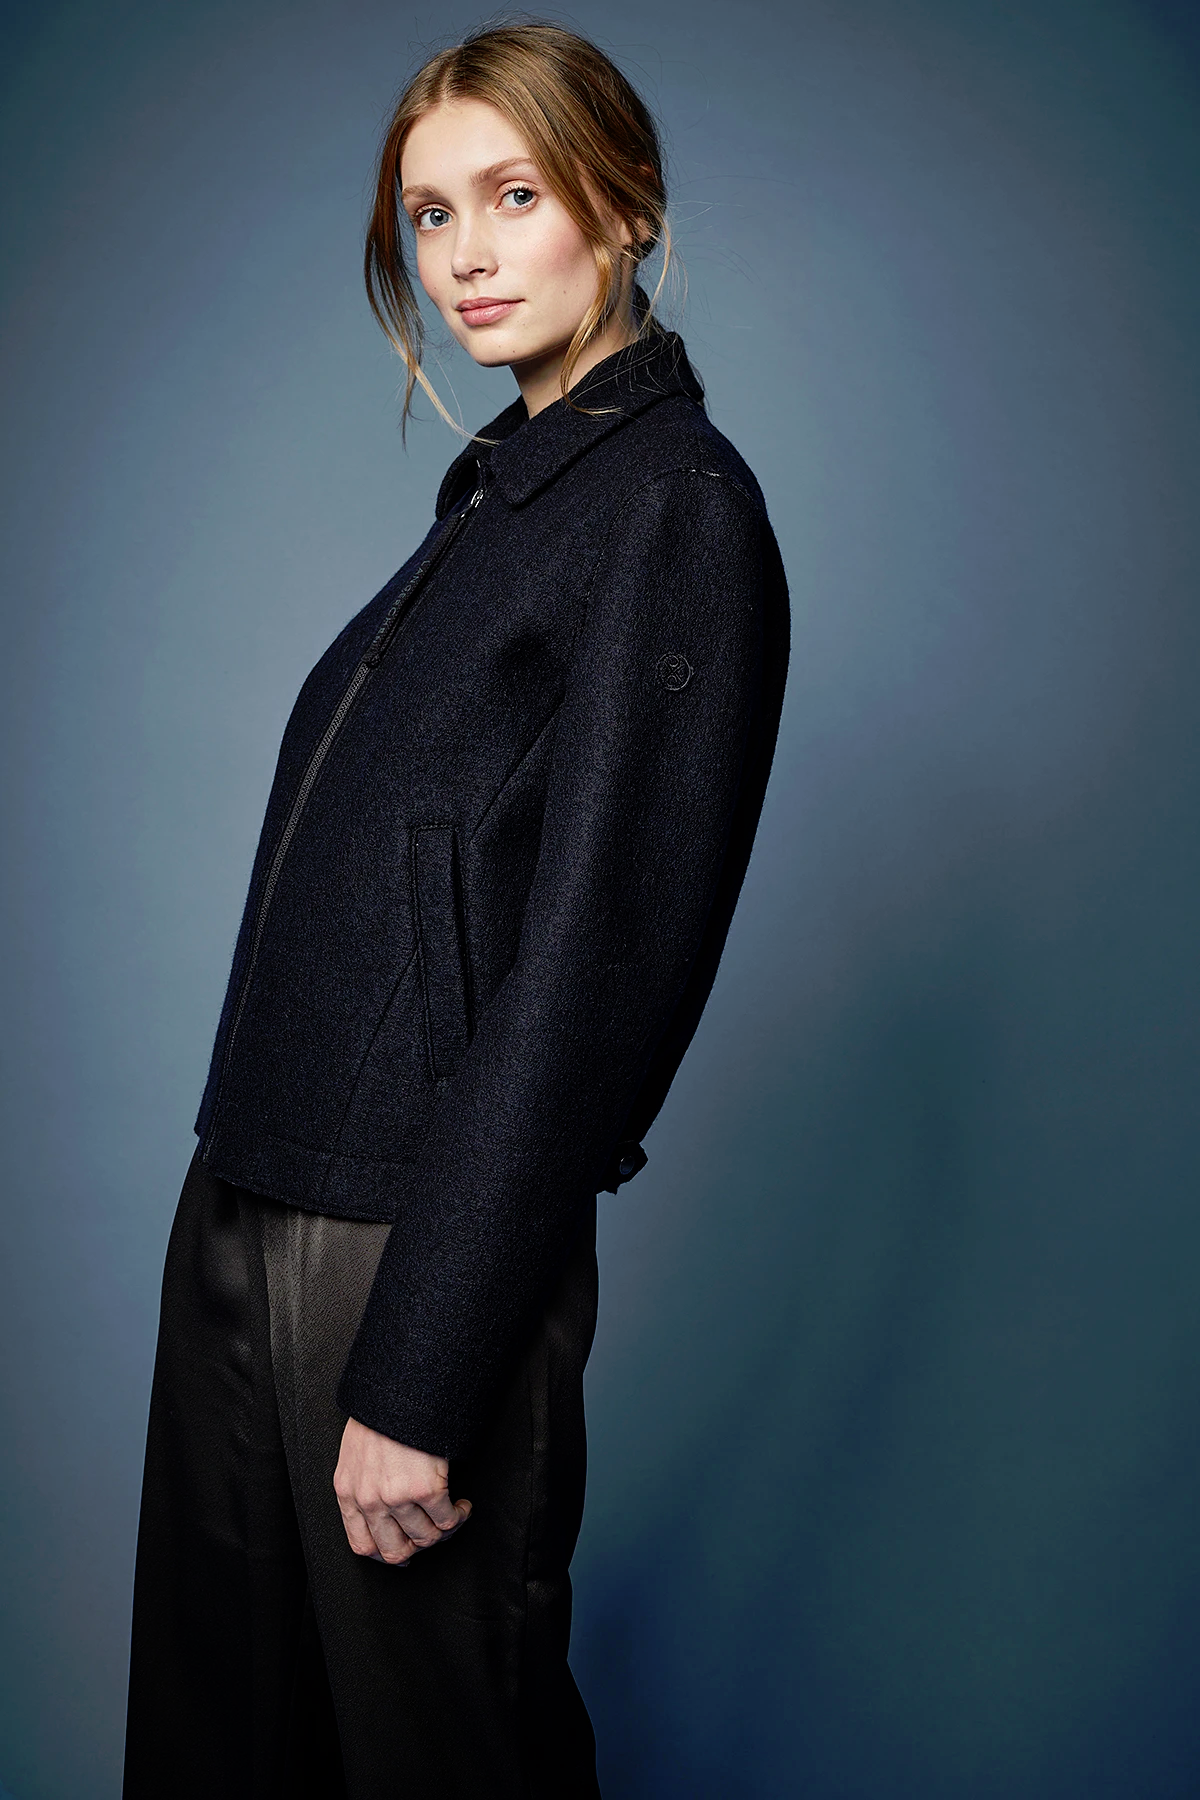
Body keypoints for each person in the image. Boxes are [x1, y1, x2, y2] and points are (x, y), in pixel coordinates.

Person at [122, 19, 790, 1799]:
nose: (466, 256)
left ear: (624, 207)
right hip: (252, 1194)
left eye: (515, 195)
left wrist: (423, 1366)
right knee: (221, 1743)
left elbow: (595, 973)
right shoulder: (498, 499)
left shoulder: (671, 508)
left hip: (407, 1247)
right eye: (430, 216)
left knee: (437, 1755)